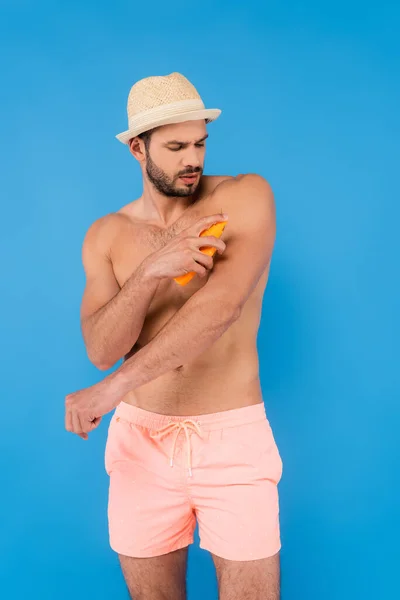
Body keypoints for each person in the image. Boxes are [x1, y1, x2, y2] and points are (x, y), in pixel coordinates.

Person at [65, 72, 283, 600]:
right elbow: (101, 349)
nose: (194, 158)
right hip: (140, 444)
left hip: (231, 440)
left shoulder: (243, 198)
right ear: (138, 148)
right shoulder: (107, 235)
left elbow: (218, 310)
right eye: (177, 146)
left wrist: (110, 391)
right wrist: (148, 273)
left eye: (200, 143)